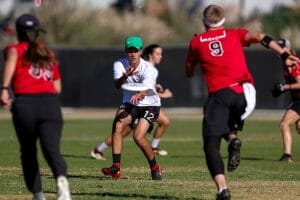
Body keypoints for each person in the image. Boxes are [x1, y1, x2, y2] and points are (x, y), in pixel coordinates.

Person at [185, 4, 298, 200]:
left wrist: (198, 52)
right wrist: (285, 55)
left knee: (210, 145)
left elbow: (189, 72)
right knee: (228, 122)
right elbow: (262, 37)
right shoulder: (234, 34)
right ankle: (232, 139)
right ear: (223, 21)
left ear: (204, 22)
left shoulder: (196, 42)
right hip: (246, 93)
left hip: (220, 94)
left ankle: (223, 189)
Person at [0, 14, 71, 200]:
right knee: (52, 150)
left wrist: (5, 88)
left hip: (26, 105)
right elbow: (57, 88)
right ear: (37, 32)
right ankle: (62, 181)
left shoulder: (14, 49)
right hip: (50, 105)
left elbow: (12, 57)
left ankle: (38, 194)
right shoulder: (47, 53)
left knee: (28, 150)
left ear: (18, 33)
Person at [90, 44, 172, 160]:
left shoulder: (150, 69)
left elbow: (149, 88)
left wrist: (157, 87)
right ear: (150, 55)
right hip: (139, 104)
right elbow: (144, 91)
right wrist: (164, 94)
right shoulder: (146, 67)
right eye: (158, 54)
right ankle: (99, 150)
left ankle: (99, 150)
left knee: (125, 131)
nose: (160, 56)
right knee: (124, 132)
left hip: (144, 103)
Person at [101, 36, 163, 180]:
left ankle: (155, 167)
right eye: (130, 50)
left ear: (141, 51)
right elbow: (117, 85)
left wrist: (140, 94)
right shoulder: (120, 64)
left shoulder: (148, 68)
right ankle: (116, 168)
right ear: (125, 51)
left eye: (135, 50)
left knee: (138, 136)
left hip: (150, 104)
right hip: (131, 102)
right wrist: (124, 77)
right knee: (117, 125)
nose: (132, 54)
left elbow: (147, 88)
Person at [271, 39, 300, 163]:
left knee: (284, 124)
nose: (279, 50)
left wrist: (285, 87)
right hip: (297, 98)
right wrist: (282, 88)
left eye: (282, 47)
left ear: (288, 48)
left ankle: (287, 156)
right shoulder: (285, 62)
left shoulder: (294, 63)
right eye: (277, 48)